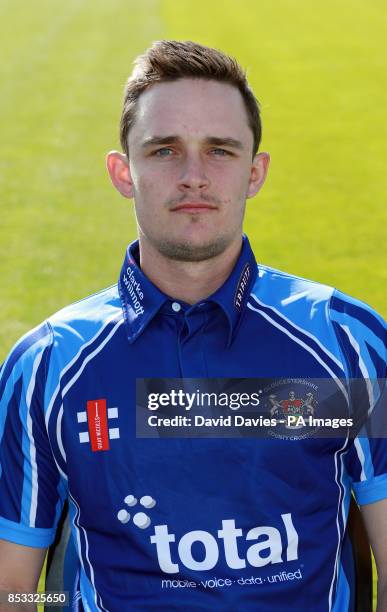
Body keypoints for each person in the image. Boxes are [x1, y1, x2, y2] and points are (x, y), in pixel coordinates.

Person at [0, 40, 386, 612]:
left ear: (255, 172)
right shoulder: (47, 366)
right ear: (123, 172)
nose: (194, 177)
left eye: (221, 151)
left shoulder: (346, 342)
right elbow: (13, 587)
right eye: (163, 151)